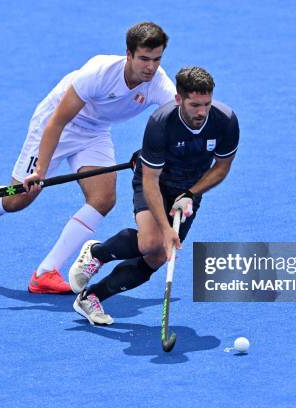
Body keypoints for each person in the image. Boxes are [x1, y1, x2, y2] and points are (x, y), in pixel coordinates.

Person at [0, 22, 176, 294]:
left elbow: (177, 123)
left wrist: (149, 154)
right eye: (144, 59)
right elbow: (57, 121)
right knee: (19, 199)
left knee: (103, 199)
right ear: (128, 54)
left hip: (94, 132)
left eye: (157, 59)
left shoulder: (158, 83)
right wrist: (40, 171)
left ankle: (45, 273)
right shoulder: (99, 72)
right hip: (57, 124)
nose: (150, 67)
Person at [68, 66, 240, 325]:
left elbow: (222, 168)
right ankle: (98, 253)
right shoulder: (161, 124)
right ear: (178, 99)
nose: (202, 112)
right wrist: (165, 228)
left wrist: (191, 194)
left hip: (190, 188)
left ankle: (91, 297)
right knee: (151, 242)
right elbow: (150, 181)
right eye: (195, 105)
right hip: (155, 181)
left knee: (158, 257)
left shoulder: (225, 120)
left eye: (206, 104)